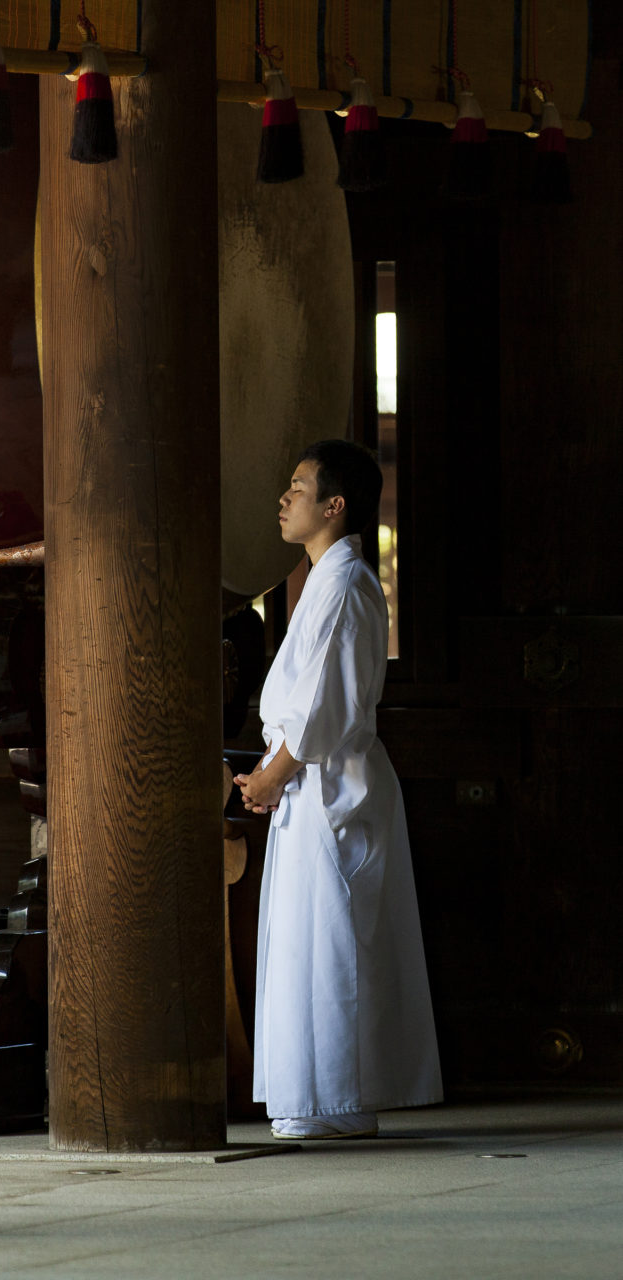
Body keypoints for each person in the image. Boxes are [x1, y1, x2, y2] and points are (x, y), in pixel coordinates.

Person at [233, 439, 442, 1140]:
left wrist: (270, 774)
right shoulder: (325, 579)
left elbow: (325, 703)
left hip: (328, 785)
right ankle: (315, 1095)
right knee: (306, 939)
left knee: (329, 938)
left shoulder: (346, 583)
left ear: (334, 505)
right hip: (308, 780)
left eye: (298, 487)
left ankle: (334, 1097)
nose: (284, 499)